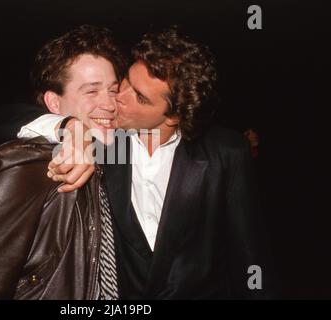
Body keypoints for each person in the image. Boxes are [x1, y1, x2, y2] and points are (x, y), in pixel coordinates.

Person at [20, 26, 277, 299]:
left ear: (173, 117)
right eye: (127, 81)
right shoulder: (103, 140)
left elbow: (249, 254)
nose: (118, 97)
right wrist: (69, 126)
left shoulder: (226, 152)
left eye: (140, 97)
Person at [0, 25, 127, 299]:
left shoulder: (108, 157)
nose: (109, 104)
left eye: (113, 90)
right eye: (91, 91)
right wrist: (71, 126)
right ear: (53, 102)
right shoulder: (26, 167)